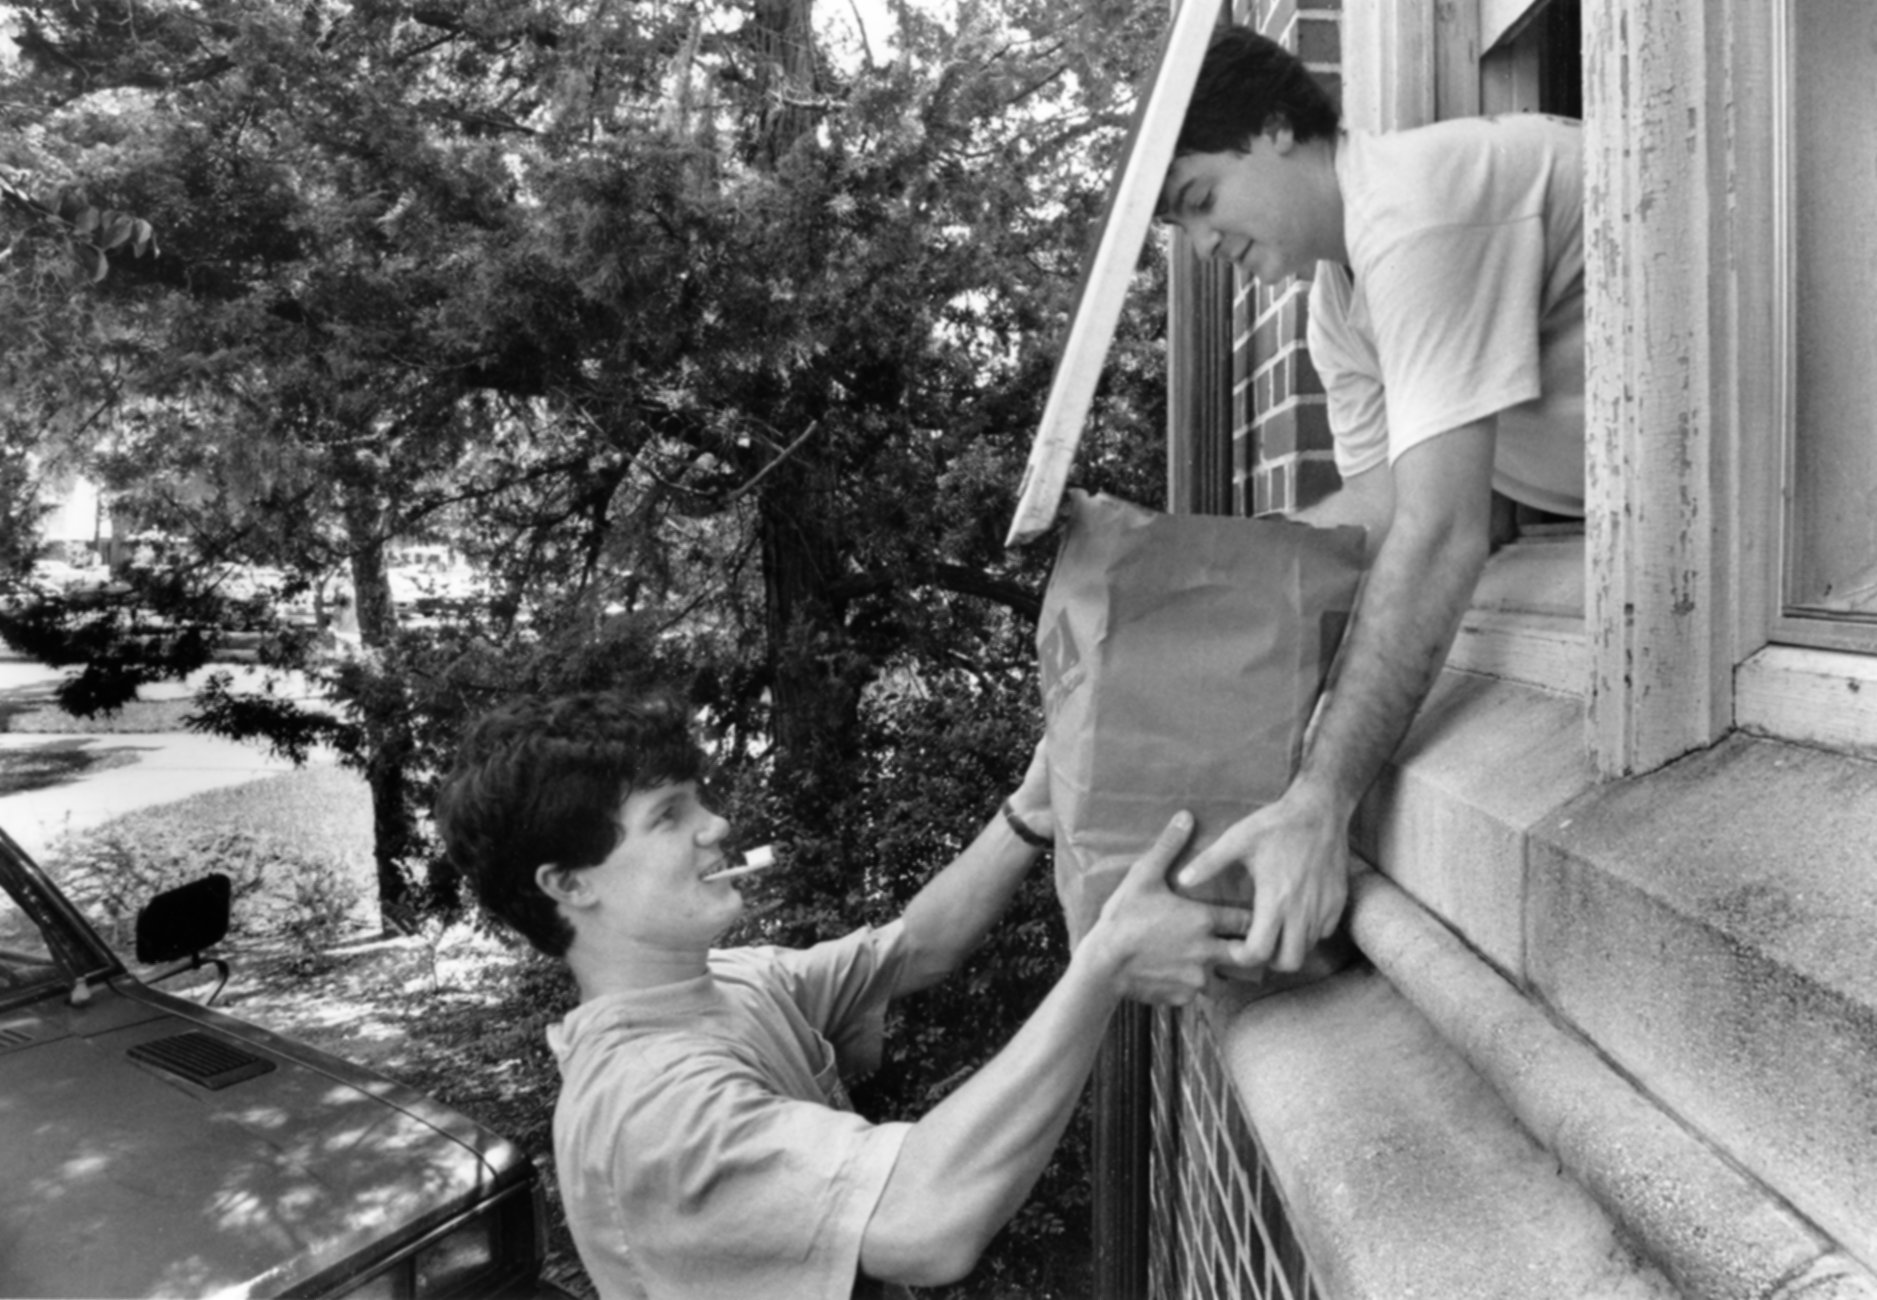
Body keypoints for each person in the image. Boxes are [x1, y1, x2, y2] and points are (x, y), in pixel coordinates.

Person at [434, 688, 1250, 1299]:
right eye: (669, 815)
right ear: (569, 884)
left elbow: (918, 947)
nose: (715, 825)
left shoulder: (731, 983)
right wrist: (1103, 964)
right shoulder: (654, 1112)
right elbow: (926, 1220)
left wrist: (1030, 812)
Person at [1158, 27, 1585, 972]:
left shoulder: (1414, 212)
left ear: (1274, 128)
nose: (1201, 247)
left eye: (1199, 201)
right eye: (1180, 229)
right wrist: (1183, 589)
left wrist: (1319, 801)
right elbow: (1378, 513)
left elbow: (1439, 537)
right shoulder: (1338, 305)